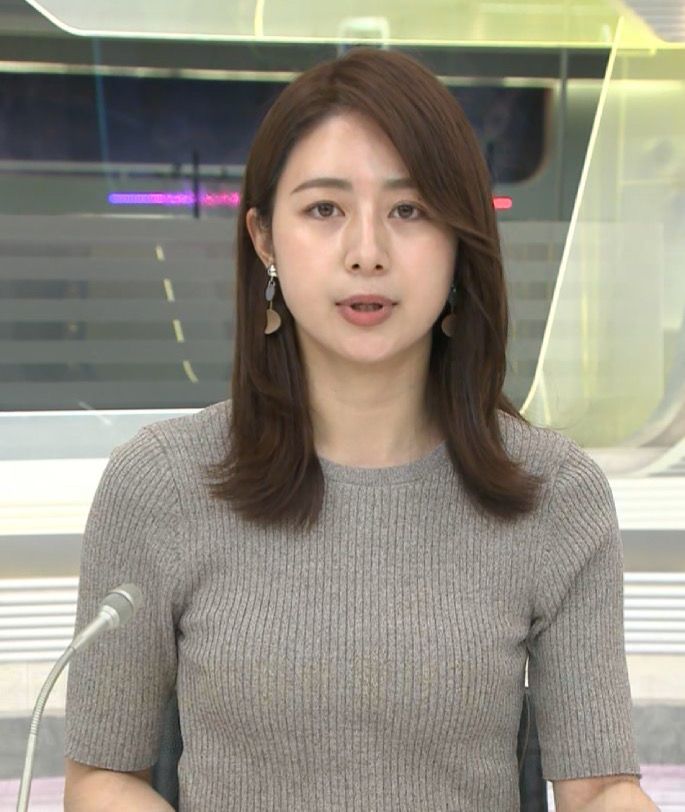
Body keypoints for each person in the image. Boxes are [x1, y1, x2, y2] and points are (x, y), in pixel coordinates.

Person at [63, 47, 654, 811]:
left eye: (409, 211)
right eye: (324, 210)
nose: (366, 253)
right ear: (264, 239)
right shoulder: (160, 482)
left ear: (459, 241)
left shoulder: (555, 494)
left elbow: (599, 788)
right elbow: (102, 778)